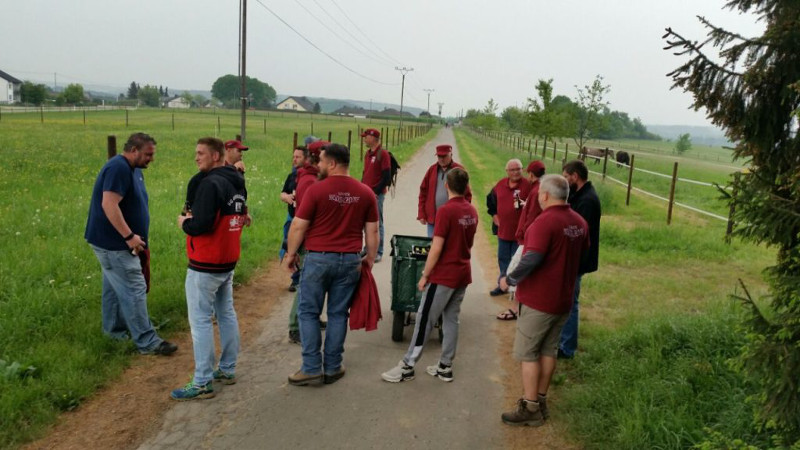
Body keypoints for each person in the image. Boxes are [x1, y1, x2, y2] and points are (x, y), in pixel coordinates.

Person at [285, 143, 379, 386]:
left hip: (318, 259)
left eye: (322, 161)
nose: (318, 165)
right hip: (349, 261)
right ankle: (333, 366)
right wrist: (369, 258)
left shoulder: (317, 190)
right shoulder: (366, 192)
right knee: (338, 313)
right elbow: (372, 230)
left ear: (333, 164)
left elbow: (298, 225)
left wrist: (291, 254)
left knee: (308, 312)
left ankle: (311, 367)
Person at [498, 174, 589, 426]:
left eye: (539, 194)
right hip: (563, 300)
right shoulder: (579, 223)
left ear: (546, 195)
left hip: (540, 301)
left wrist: (510, 278)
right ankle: (541, 399)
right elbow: (582, 256)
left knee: (528, 353)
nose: (537, 197)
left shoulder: (543, 223)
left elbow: (531, 258)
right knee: (549, 350)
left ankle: (529, 408)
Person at [85, 132, 177, 356]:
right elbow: (109, 204)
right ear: (134, 150)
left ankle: (114, 333)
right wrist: (129, 236)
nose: (151, 159)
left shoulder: (133, 169)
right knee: (134, 288)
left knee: (114, 287)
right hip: (115, 243)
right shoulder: (118, 168)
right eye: (148, 154)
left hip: (114, 242)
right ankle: (147, 341)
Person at [170, 137, 248, 401]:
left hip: (205, 263)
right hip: (228, 260)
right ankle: (227, 369)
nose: (196, 157)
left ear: (217, 156)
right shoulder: (237, 181)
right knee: (226, 312)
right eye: (196, 153)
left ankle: (202, 381)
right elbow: (240, 215)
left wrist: (184, 223)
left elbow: (201, 224)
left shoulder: (209, 184)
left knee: (200, 320)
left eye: (201, 153)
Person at [382, 168, 478, 383]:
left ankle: (407, 365)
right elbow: (468, 243)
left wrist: (425, 275)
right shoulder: (471, 211)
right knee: (451, 319)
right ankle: (445, 366)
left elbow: (436, 247)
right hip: (462, 273)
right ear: (467, 186)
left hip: (443, 275)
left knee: (424, 318)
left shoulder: (446, 211)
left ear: (446, 186)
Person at [558, 160, 601, 359]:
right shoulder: (579, 195)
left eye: (566, 177)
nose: (565, 182)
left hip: (577, 260)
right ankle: (563, 341)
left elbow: (577, 233)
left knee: (570, 303)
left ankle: (567, 348)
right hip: (573, 258)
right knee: (567, 301)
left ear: (575, 176)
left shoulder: (587, 201)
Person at [286, 140, 326, 345]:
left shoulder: (311, 177)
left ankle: (312, 318)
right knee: (306, 285)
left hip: (312, 238)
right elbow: (303, 219)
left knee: (315, 284)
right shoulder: (310, 181)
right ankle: (295, 327)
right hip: (310, 239)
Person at [497, 160, 546, 321]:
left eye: (522, 170)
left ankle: (515, 308)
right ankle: (517, 305)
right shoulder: (544, 188)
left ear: (531, 174)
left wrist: (523, 234)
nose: (520, 173)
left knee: (516, 270)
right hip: (527, 236)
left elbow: (532, 216)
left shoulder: (535, 189)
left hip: (528, 239)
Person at [486, 159, 532, 296]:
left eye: (518, 169)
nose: (516, 172)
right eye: (512, 169)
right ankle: (502, 285)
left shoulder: (528, 185)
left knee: (517, 262)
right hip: (504, 232)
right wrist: (494, 215)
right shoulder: (500, 185)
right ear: (507, 171)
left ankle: (517, 290)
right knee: (503, 259)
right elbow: (490, 200)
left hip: (521, 234)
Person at [417, 144, 472, 238]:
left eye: (444, 156)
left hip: (453, 219)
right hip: (433, 220)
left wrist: (463, 214)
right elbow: (423, 192)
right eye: (439, 156)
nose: (441, 159)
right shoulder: (432, 170)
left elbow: (467, 195)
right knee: (432, 245)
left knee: (449, 247)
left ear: (451, 154)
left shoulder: (459, 170)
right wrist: (421, 213)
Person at [280, 145, 308, 291]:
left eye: (298, 157)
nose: (295, 159)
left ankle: (302, 279)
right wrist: (287, 197)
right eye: (294, 156)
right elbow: (282, 193)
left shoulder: (309, 178)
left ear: (306, 159)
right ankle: (295, 279)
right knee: (291, 248)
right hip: (292, 217)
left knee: (302, 250)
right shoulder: (292, 176)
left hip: (305, 220)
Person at [360, 128, 390, 262]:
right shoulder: (367, 154)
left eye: (366, 137)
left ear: (373, 138)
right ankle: (367, 248)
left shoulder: (383, 154)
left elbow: (386, 177)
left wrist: (375, 192)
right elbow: (365, 173)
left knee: (377, 223)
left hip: (376, 195)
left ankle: (378, 251)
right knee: (366, 222)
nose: (364, 139)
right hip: (366, 193)